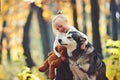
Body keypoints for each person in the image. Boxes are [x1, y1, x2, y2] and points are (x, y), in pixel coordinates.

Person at [52, 11, 88, 80]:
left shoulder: (73, 31)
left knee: (73, 73)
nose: (60, 29)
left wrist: (83, 43)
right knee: (60, 68)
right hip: (65, 57)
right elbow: (55, 47)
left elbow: (84, 37)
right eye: (57, 29)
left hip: (75, 58)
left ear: (66, 21)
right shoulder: (59, 34)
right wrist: (60, 56)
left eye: (60, 26)